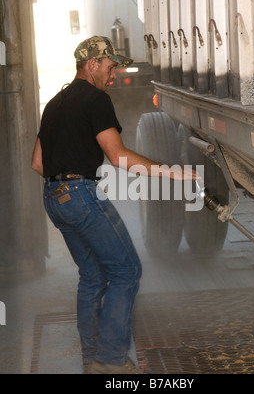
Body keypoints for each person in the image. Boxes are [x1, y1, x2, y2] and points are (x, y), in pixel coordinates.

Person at [31, 36, 199, 374]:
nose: (113, 74)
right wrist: (173, 174)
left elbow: (37, 162)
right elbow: (119, 156)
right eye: (110, 67)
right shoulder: (96, 100)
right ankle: (110, 361)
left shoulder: (54, 103)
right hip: (79, 196)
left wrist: (73, 173)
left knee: (92, 276)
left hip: (54, 198)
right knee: (127, 271)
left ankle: (92, 360)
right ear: (91, 64)